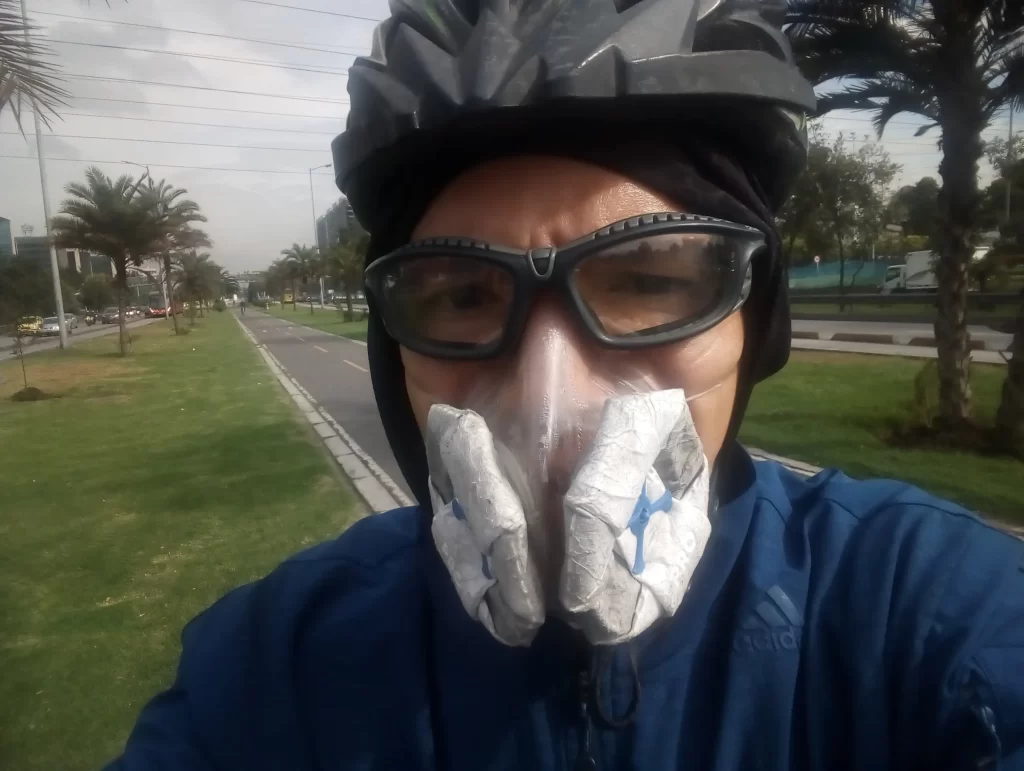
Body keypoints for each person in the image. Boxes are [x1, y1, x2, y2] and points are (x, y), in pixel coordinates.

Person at [108, 1, 1024, 769]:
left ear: (757, 318)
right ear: (397, 349)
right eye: (463, 293)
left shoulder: (918, 608)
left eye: (650, 280)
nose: (554, 396)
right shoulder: (279, 662)